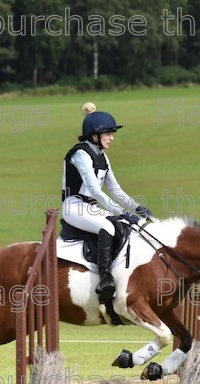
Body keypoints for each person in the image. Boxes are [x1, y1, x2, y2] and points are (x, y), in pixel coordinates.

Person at [61, 102, 154, 304]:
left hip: (90, 207)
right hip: (74, 207)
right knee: (108, 227)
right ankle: (104, 279)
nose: (112, 138)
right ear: (95, 135)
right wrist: (120, 212)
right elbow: (94, 189)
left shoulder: (103, 157)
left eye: (112, 134)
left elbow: (115, 190)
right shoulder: (80, 154)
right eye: (108, 134)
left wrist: (137, 209)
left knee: (130, 226)